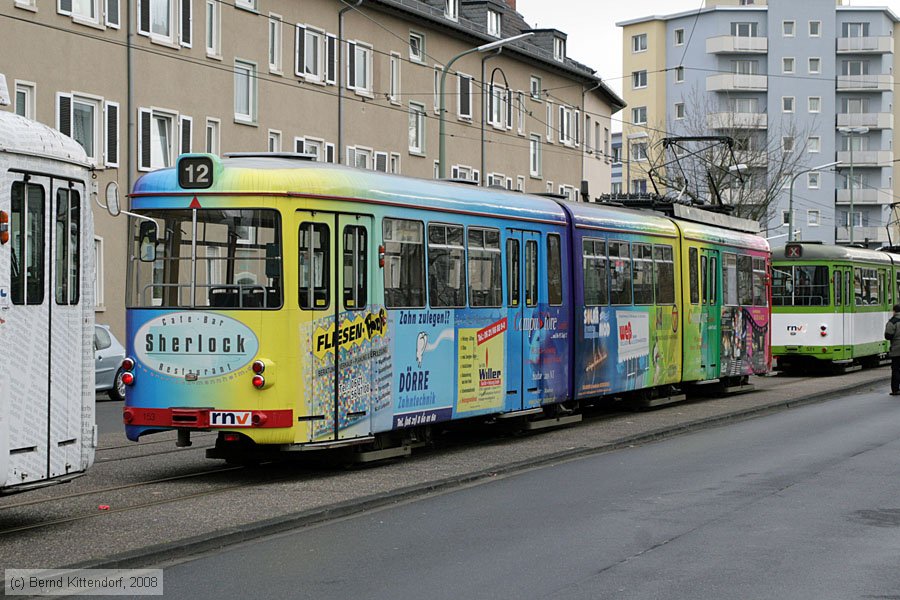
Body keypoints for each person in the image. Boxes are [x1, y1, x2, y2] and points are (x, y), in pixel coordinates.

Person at [884, 304, 900, 395]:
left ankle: (896, 389)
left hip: (896, 349)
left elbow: (888, 335)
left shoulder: (892, 322)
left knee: (896, 370)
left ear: (894, 311)